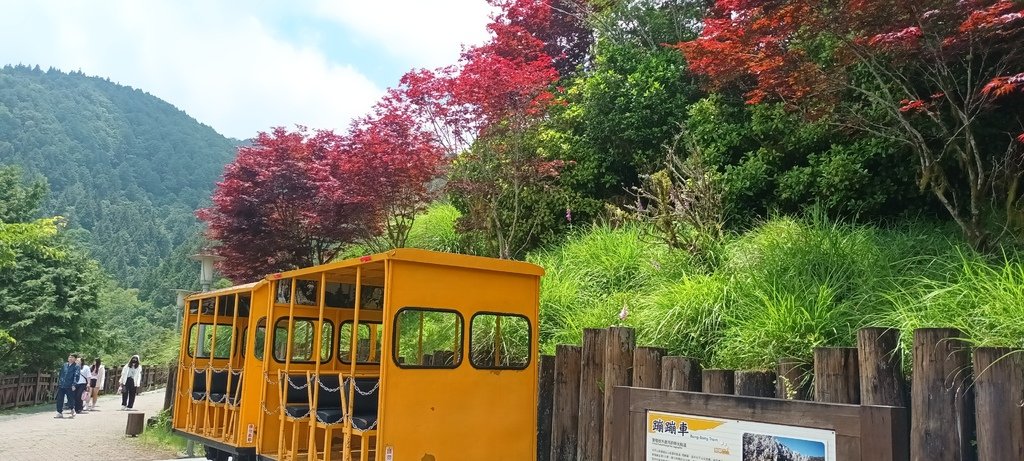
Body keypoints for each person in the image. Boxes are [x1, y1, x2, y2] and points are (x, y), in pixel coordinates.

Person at [54, 353, 80, 419]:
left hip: (70, 385)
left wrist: (74, 384)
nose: (70, 358)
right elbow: (61, 374)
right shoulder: (65, 365)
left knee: (70, 398)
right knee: (60, 399)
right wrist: (59, 382)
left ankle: (72, 409)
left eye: (72, 357)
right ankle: (59, 412)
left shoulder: (76, 366)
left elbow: (76, 376)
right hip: (62, 384)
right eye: (69, 357)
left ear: (75, 359)